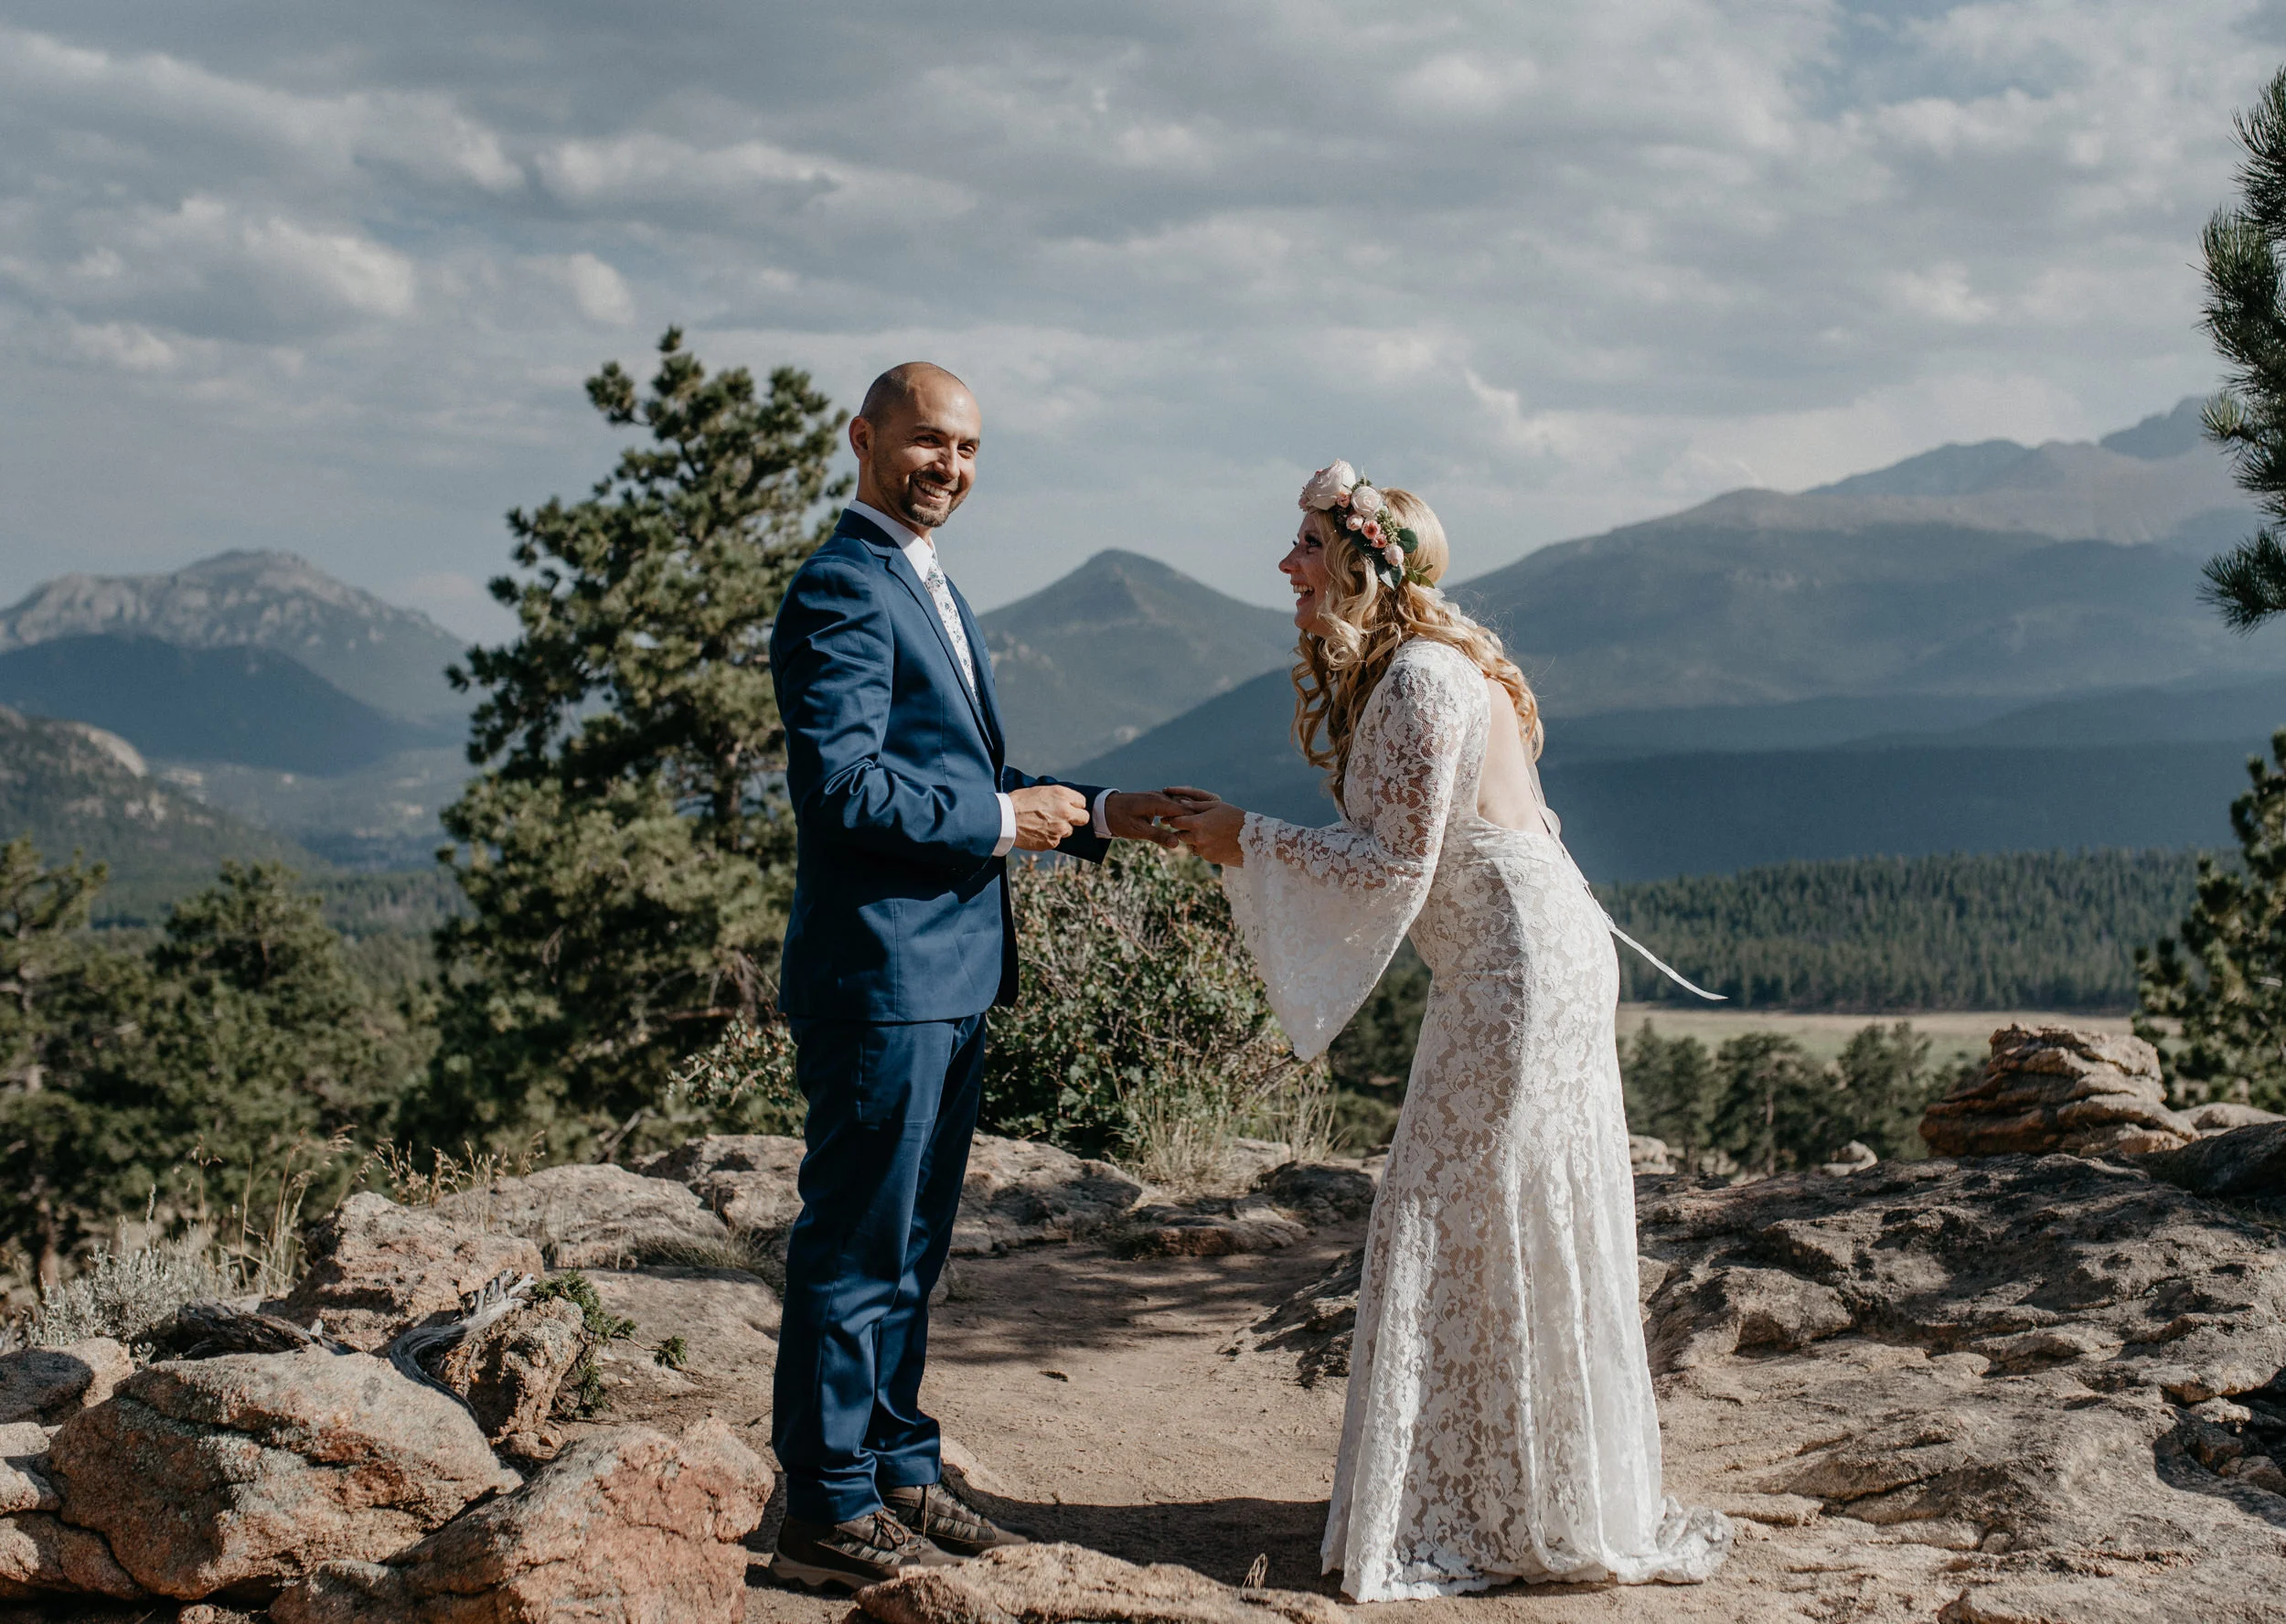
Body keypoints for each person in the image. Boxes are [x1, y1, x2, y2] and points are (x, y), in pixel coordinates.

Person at [1166, 464, 1734, 1602]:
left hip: (1511, 974)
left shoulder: (1421, 680)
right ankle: (1521, 1491)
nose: (1288, 567)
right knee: (1500, 1207)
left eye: (1309, 546)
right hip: (1523, 955)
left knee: (1450, 1202)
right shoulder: (1441, 668)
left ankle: (1493, 1508)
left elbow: (1393, 865)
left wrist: (1243, 837)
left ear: (1369, 562)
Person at [766, 362, 1191, 1590]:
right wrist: (1008, 820)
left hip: (950, 974)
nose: (949, 466)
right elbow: (843, 789)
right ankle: (826, 1508)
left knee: (911, 1249)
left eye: (967, 449)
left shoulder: (925, 582)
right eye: (926, 442)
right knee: (854, 1244)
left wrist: (1106, 810)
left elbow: (950, 767)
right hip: (883, 975)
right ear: (863, 438)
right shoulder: (844, 589)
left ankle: (900, 1468)